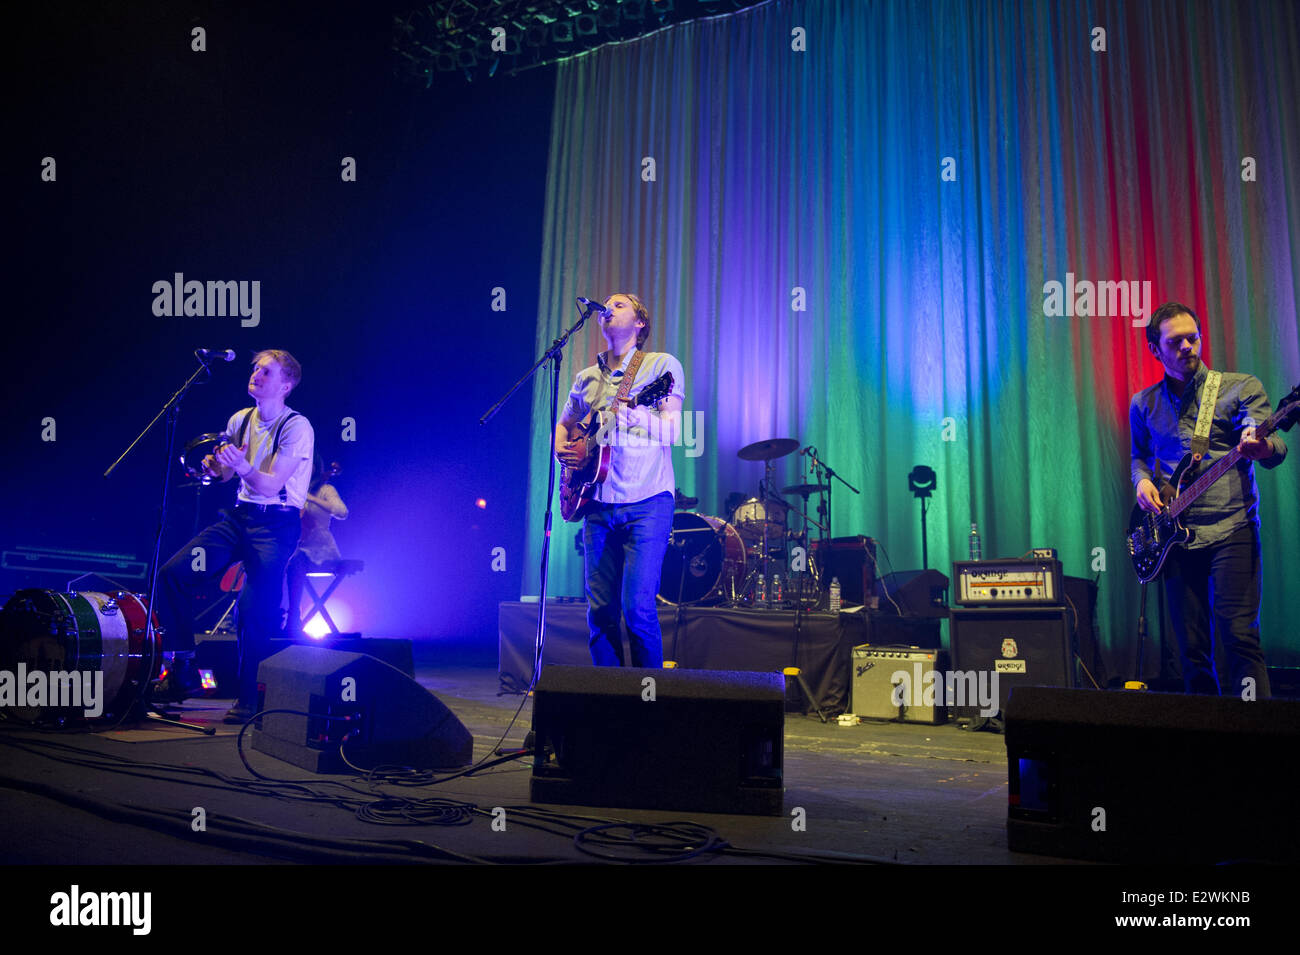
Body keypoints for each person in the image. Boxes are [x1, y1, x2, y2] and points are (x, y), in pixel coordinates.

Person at [1130, 302, 1287, 698]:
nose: (1187, 346)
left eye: (1193, 337)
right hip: (1173, 535)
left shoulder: (1239, 386)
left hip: (1231, 527)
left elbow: (1274, 444)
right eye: (1175, 341)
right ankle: (1205, 741)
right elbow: (1139, 456)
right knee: (1191, 650)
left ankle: (1258, 730)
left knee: (1239, 638)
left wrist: (1261, 444)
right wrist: (1141, 481)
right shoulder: (1143, 404)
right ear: (1155, 350)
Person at [157, 350, 314, 722]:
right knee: (173, 574)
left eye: (267, 371)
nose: (256, 374)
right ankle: (183, 669)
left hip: (276, 525)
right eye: (255, 368)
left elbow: (270, 482)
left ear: (285, 385)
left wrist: (240, 465)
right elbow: (226, 476)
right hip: (239, 518)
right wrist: (216, 466)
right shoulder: (239, 419)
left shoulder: (296, 427)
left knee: (254, 610)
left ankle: (249, 702)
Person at [554, 293, 684, 667]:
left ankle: (649, 706)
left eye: (620, 304)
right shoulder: (586, 377)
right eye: (606, 306)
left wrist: (636, 417)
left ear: (640, 323)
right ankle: (608, 703)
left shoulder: (661, 366)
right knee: (599, 612)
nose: (608, 308)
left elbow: (673, 432)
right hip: (597, 503)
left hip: (648, 502)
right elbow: (564, 426)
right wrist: (563, 451)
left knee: (637, 610)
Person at [285, 456, 348, 637]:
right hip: (297, 547)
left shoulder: (326, 489)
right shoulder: (292, 489)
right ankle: (271, 616)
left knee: (295, 561)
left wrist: (311, 497)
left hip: (322, 549)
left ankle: (293, 618)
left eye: (309, 466)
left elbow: (341, 512)